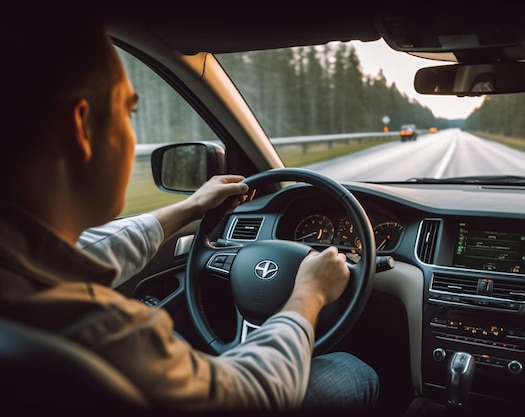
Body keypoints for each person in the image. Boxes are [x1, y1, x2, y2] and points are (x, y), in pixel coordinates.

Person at [0, 12, 378, 414]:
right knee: (355, 373)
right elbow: (252, 394)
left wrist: (189, 208)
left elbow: (93, 249)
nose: (131, 136)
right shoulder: (99, 334)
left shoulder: (19, 270)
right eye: (129, 113)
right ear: (79, 128)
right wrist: (310, 293)